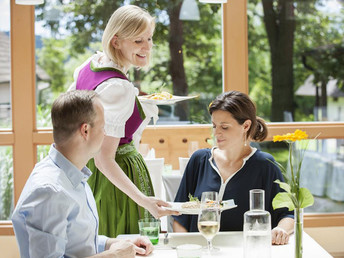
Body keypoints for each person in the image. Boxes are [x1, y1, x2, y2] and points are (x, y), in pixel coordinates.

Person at [68, 5, 178, 237]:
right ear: (116, 41)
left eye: (149, 38)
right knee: (123, 242)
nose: (147, 47)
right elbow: (104, 160)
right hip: (117, 181)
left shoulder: (89, 65)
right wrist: (145, 201)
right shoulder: (118, 87)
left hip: (87, 173)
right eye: (138, 41)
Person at [11, 90, 153, 257]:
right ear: (85, 130)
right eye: (103, 127)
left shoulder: (73, 175)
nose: (105, 133)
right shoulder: (50, 191)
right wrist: (114, 256)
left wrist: (113, 244)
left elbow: (75, 243)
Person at [173, 91, 294, 245]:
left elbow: (288, 215)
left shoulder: (265, 165)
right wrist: (188, 248)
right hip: (200, 251)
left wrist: (281, 230)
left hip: (245, 250)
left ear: (246, 125)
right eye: (214, 125)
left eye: (225, 127)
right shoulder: (200, 160)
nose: (216, 133)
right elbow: (179, 216)